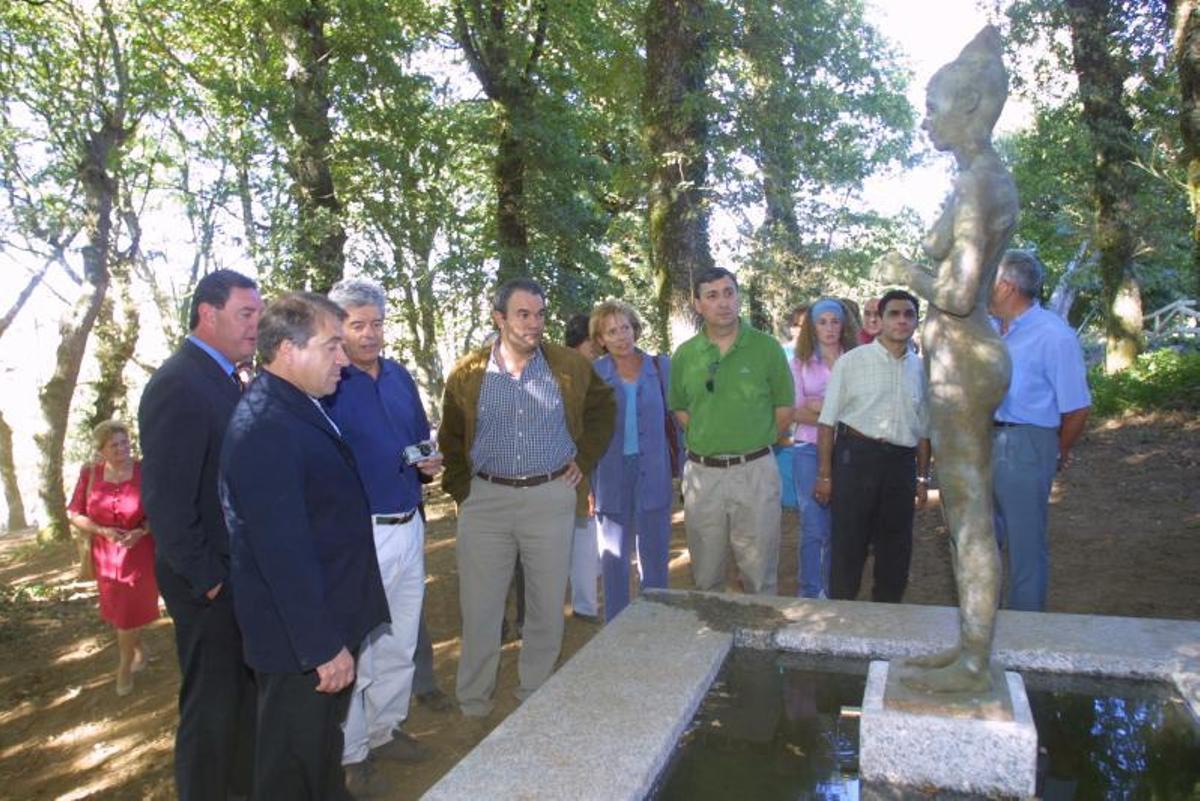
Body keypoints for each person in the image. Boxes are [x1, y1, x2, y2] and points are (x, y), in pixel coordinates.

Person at [875, 26, 1019, 693]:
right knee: (963, 509)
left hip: (965, 357)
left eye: (933, 106)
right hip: (963, 357)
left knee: (968, 513)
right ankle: (969, 645)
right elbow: (951, 244)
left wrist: (909, 270)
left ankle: (974, 659)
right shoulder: (976, 177)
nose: (924, 118)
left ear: (969, 110)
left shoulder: (978, 184)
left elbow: (959, 294)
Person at [220, 292, 389, 801]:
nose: (344, 358)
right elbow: (282, 551)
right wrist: (321, 646)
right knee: (291, 767)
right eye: (332, 345)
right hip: (301, 645)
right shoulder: (265, 426)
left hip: (323, 624)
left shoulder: (295, 405)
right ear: (288, 351)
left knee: (317, 756)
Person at [438, 278, 615, 717]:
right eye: (522, 314)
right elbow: (451, 435)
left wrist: (583, 458)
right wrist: (465, 491)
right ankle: (474, 701)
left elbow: (602, 408)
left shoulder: (568, 366)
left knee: (546, 603)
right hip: (486, 502)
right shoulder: (468, 373)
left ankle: (534, 692)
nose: (534, 323)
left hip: (550, 498)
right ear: (499, 318)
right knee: (480, 608)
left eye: (539, 314)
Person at [139, 268, 261, 801]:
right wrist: (210, 581)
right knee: (211, 711)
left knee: (240, 704)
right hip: (209, 583)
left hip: (237, 574)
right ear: (207, 315)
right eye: (246, 314)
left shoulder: (225, 377)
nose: (257, 325)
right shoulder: (178, 383)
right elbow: (166, 502)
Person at [323, 279, 442, 785]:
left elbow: (416, 439)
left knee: (400, 634)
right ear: (338, 328)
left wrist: (427, 461)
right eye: (357, 325)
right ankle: (352, 752)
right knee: (362, 644)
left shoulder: (398, 376)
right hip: (359, 532)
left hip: (409, 522)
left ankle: (386, 731)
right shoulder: (329, 383)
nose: (369, 334)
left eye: (376, 323)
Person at [668, 267, 794, 595]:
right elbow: (680, 408)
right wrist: (712, 437)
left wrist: (751, 442)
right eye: (712, 296)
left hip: (755, 471)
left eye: (729, 292)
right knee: (706, 575)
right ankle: (710, 642)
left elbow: (784, 409)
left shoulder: (767, 349)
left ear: (738, 296)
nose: (723, 302)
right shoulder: (685, 355)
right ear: (697, 305)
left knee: (759, 574)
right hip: (702, 476)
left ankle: (760, 644)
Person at [989, 250, 1091, 612]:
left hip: (1028, 444)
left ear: (1006, 286)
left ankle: (1024, 635)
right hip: (984, 442)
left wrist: (1054, 451)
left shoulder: (1053, 335)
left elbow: (1077, 408)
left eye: (990, 278)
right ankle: (984, 626)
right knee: (982, 543)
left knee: (1025, 545)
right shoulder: (989, 331)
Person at [815, 289, 931, 604]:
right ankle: (842, 621)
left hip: (901, 465)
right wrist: (825, 476)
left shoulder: (922, 370)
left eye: (909, 314)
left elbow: (923, 429)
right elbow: (827, 423)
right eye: (894, 313)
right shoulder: (851, 362)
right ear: (879, 320)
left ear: (916, 322)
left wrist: (922, 478)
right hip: (856, 459)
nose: (902, 320)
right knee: (848, 547)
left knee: (896, 551)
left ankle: (886, 627)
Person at [589, 300, 677, 622]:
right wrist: (587, 485)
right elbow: (586, 432)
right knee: (613, 558)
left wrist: (681, 469)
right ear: (601, 339)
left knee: (654, 555)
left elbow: (675, 421)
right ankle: (616, 628)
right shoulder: (595, 373)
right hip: (610, 476)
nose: (621, 336)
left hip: (653, 471)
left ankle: (656, 622)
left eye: (625, 327)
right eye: (612, 331)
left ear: (635, 329)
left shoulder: (659, 366)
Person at [67, 420, 158, 696]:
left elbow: (163, 508)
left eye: (125, 442)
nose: (122, 448)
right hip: (105, 553)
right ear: (102, 450)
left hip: (139, 552)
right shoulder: (90, 474)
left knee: (128, 610)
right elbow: (74, 513)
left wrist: (141, 532)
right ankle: (139, 647)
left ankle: (124, 664)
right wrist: (102, 531)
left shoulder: (145, 471)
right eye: (114, 445)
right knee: (119, 610)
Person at [790, 299, 858, 599]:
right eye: (822, 322)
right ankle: (810, 592)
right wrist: (836, 410)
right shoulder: (799, 362)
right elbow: (795, 412)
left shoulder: (856, 360)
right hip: (808, 450)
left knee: (841, 527)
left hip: (848, 452)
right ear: (812, 326)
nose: (829, 328)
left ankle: (833, 591)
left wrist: (822, 406)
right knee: (813, 525)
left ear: (844, 324)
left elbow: (863, 409)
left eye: (835, 321)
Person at [564, 312, 602, 622]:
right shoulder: (568, 377)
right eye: (593, 341)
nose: (598, 346)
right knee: (583, 533)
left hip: (595, 465)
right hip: (577, 470)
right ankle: (585, 604)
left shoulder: (595, 373)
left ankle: (588, 599)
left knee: (590, 534)